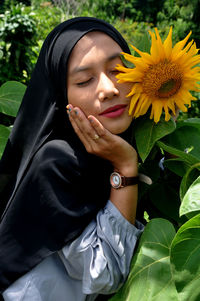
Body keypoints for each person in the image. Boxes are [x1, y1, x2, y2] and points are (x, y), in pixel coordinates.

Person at [0, 17, 143, 301]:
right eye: (84, 80)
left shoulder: (133, 138)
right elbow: (105, 274)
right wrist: (125, 168)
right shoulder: (59, 161)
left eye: (118, 69)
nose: (109, 88)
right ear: (62, 97)